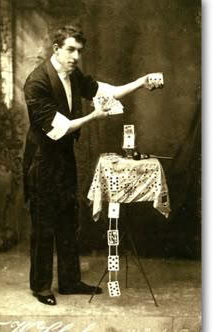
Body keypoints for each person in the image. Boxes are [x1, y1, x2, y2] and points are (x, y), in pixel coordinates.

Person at [23, 25, 163, 306]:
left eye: (79, 51)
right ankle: (41, 288)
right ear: (56, 49)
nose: (76, 56)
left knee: (67, 218)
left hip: (63, 157)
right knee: (44, 224)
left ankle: (70, 281)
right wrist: (94, 116)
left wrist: (139, 82)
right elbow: (57, 128)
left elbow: (106, 90)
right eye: (70, 50)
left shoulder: (74, 76)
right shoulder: (37, 82)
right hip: (42, 160)